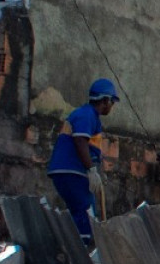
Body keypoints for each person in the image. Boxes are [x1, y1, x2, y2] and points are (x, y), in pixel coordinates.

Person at [48, 78, 119, 243]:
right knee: (85, 213)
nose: (111, 106)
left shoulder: (88, 115)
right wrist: (91, 170)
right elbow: (80, 141)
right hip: (72, 171)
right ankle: (85, 254)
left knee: (83, 211)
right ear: (105, 100)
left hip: (71, 171)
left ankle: (77, 247)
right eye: (112, 102)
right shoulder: (87, 114)